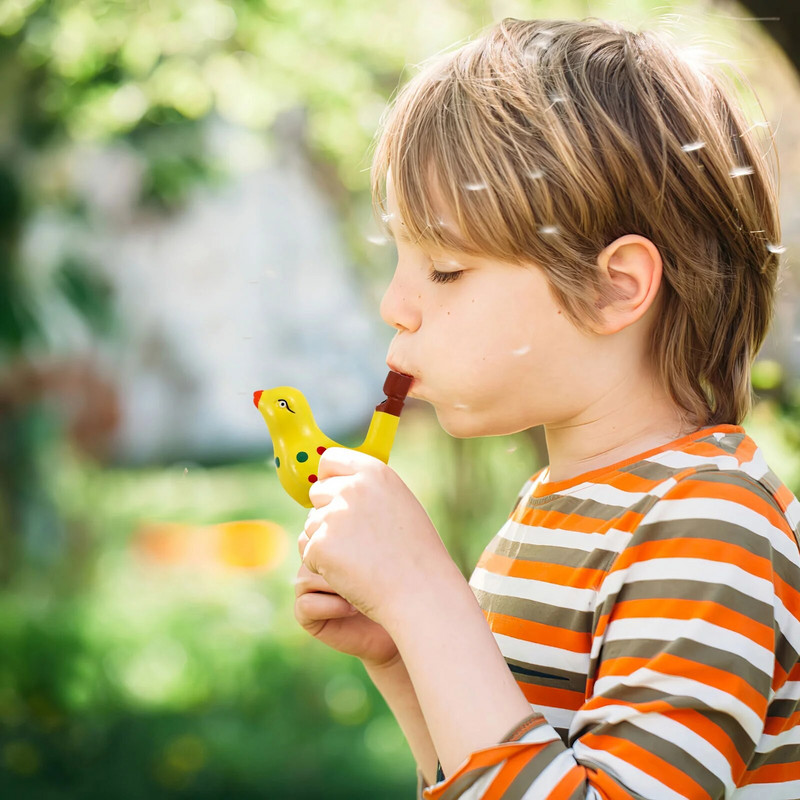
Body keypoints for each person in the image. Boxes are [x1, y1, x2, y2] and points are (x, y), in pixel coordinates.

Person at [293, 17, 800, 799]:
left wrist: (428, 597)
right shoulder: (561, 508)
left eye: (448, 269)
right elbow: (496, 778)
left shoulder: (710, 528)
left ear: (613, 286)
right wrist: (402, 654)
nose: (397, 304)